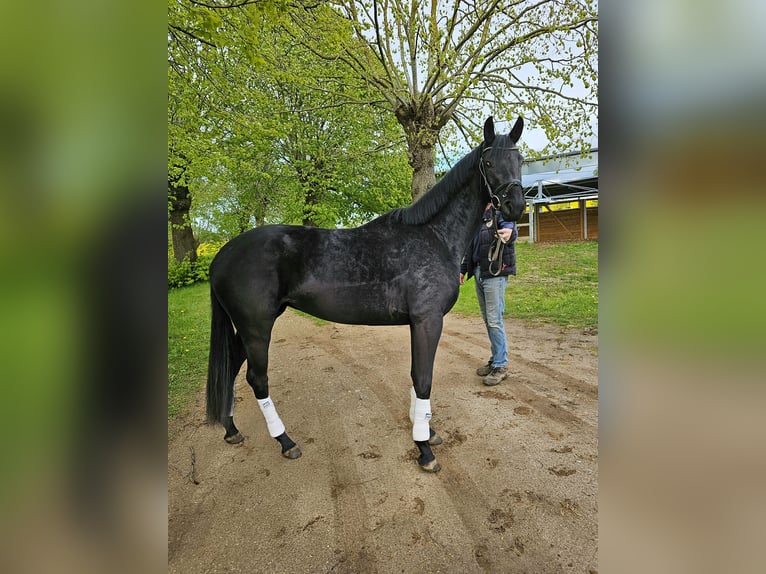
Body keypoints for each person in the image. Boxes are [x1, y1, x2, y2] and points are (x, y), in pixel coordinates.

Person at [460, 203, 518, 386]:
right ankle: (496, 360)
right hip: (479, 272)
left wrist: (510, 233)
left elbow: (510, 229)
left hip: (495, 273)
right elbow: (470, 249)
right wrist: (463, 269)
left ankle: (501, 366)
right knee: (488, 319)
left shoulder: (500, 213)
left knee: (494, 320)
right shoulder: (477, 216)